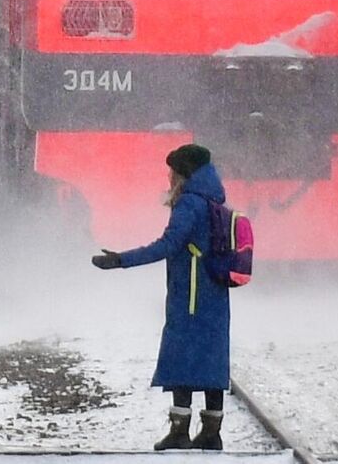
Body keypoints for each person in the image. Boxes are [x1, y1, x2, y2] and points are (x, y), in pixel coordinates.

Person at [91, 143, 230, 451]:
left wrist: (121, 260)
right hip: (213, 292)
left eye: (172, 171)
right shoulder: (214, 200)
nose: (169, 176)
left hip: (190, 294)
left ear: (183, 173)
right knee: (210, 358)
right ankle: (211, 431)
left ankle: (180, 430)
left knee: (181, 356)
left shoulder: (189, 204)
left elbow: (168, 245)